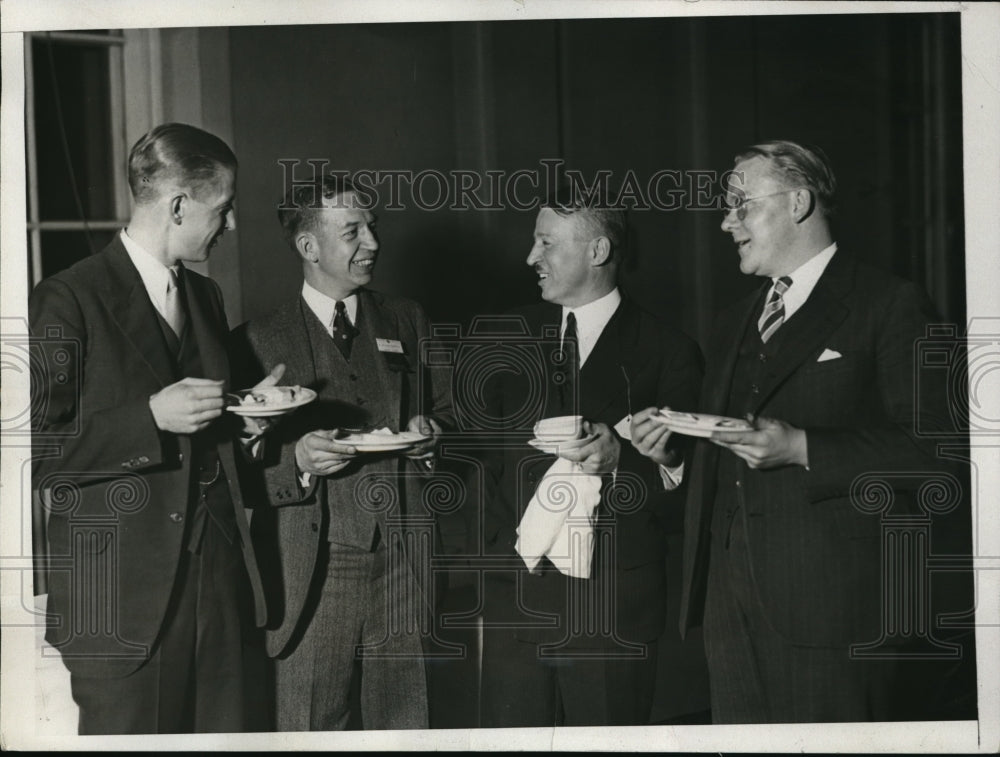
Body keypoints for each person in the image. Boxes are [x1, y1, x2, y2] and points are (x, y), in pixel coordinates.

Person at [632, 140, 952, 723]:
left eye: (740, 204)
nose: (727, 222)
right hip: (729, 616)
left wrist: (802, 447)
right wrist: (672, 457)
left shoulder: (888, 303)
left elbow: (935, 453)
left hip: (835, 615)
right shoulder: (731, 321)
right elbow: (726, 449)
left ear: (799, 202)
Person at [30, 122, 284, 734]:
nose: (229, 226)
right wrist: (148, 418)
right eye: (221, 209)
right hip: (119, 600)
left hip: (217, 581)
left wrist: (246, 420)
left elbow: (205, 423)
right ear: (177, 205)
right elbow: (34, 454)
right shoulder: (68, 298)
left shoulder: (207, 295)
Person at [477, 184, 704, 726]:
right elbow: (477, 462)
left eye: (546, 243)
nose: (531, 257)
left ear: (598, 251)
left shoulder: (669, 350)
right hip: (514, 598)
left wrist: (623, 460)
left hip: (610, 605)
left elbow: (694, 489)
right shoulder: (504, 337)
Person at [233, 174, 454, 731]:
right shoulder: (255, 341)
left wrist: (432, 438)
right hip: (313, 566)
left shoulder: (407, 318)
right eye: (352, 231)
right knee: (311, 724)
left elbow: (453, 413)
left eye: (372, 227)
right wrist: (298, 465)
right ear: (309, 247)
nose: (373, 243)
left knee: (407, 725)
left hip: (406, 557)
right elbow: (232, 470)